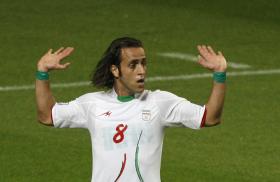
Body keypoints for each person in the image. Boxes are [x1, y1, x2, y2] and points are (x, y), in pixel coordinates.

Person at [35, 37, 227, 182]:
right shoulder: (92, 104)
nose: (141, 71)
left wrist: (219, 75)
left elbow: (209, 117)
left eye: (143, 63)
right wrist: (42, 72)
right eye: (133, 65)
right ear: (115, 70)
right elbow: (47, 115)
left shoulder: (160, 102)